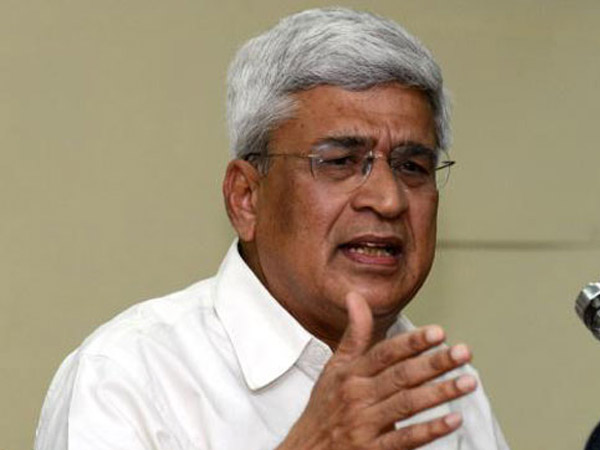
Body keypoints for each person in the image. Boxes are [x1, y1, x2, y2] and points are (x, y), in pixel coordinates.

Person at [35, 7, 509, 450]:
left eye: (412, 166)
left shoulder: (444, 387)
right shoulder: (130, 377)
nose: (388, 200)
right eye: (340, 161)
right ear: (247, 197)